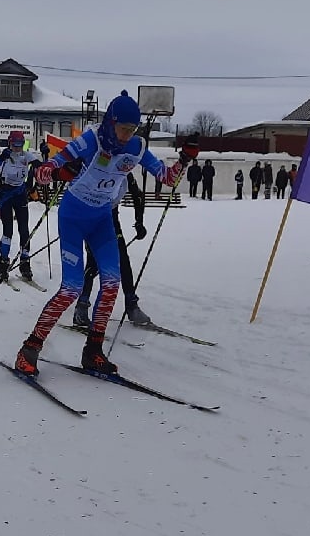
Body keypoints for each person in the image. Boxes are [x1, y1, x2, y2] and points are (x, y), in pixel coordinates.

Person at [14, 91, 194, 376]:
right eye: (122, 128)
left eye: (131, 130)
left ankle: (93, 352)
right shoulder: (91, 140)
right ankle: (30, 348)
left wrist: (184, 159)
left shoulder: (135, 148)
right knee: (71, 288)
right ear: (111, 122)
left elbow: (167, 178)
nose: (125, 136)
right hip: (73, 217)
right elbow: (47, 171)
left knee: (112, 283)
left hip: (102, 220)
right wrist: (54, 171)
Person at [72, 166, 151, 328]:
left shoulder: (126, 174)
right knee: (93, 264)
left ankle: (132, 306)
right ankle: (81, 306)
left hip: (111, 219)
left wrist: (139, 222)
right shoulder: (99, 171)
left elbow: (138, 196)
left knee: (123, 261)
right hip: (92, 218)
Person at [0, 129, 41, 280]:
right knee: (8, 230)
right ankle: (3, 263)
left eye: (20, 145)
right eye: (15, 145)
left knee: (24, 230)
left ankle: (25, 263)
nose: (17, 148)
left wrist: (38, 169)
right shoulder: (5, 155)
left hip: (20, 194)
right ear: (9, 143)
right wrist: (1, 158)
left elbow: (38, 164)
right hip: (6, 194)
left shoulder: (25, 155)